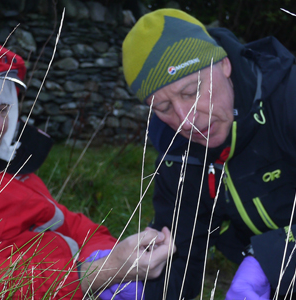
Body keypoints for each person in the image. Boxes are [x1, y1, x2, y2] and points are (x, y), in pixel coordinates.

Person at [0, 38, 173, 299]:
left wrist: (111, 254)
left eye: (4, 108)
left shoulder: (8, 172)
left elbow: (74, 225)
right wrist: (100, 272)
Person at [122, 8, 296, 300]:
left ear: (225, 65)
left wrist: (273, 256)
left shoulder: (288, 98)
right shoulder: (175, 149)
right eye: (163, 108)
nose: (186, 120)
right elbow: (182, 247)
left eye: (191, 91)